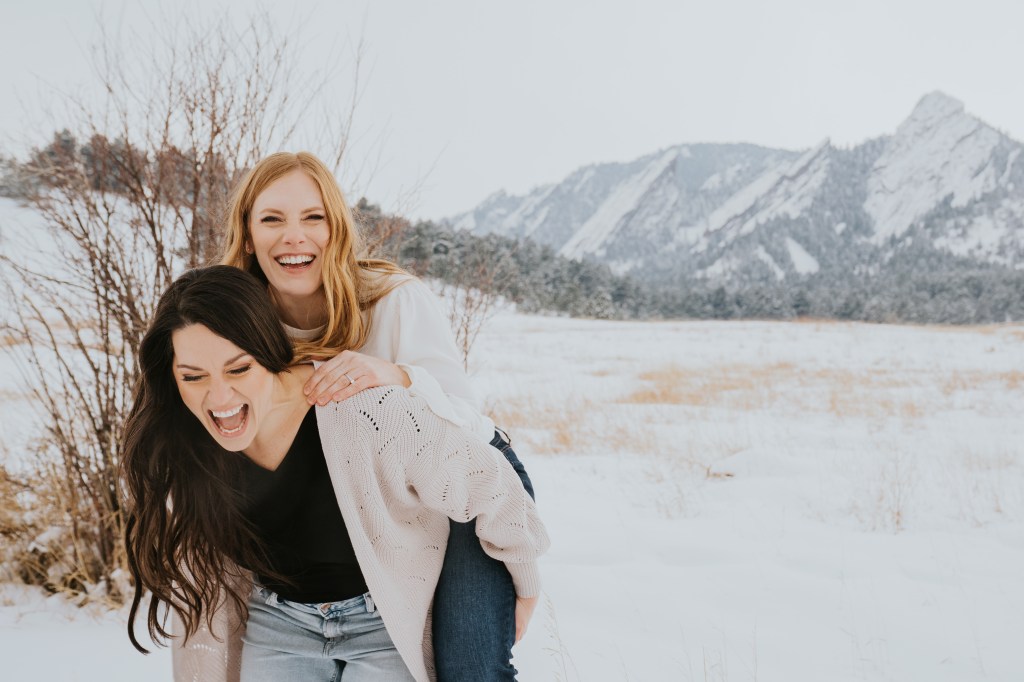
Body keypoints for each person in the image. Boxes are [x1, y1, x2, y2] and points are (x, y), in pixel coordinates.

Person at [121, 266, 549, 682]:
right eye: (193, 376)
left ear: (269, 352)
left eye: (239, 369)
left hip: (382, 626)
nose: (218, 397)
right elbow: (201, 600)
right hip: (279, 625)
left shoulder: (360, 408)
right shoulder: (187, 443)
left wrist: (525, 585)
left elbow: (490, 483)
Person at [220, 151, 537, 679]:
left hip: (469, 481)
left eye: (313, 218)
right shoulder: (239, 327)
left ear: (337, 230)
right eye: (272, 218)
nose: (293, 236)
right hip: (369, 525)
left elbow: (469, 430)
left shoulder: (393, 300)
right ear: (248, 236)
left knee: (470, 669)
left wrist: (399, 376)